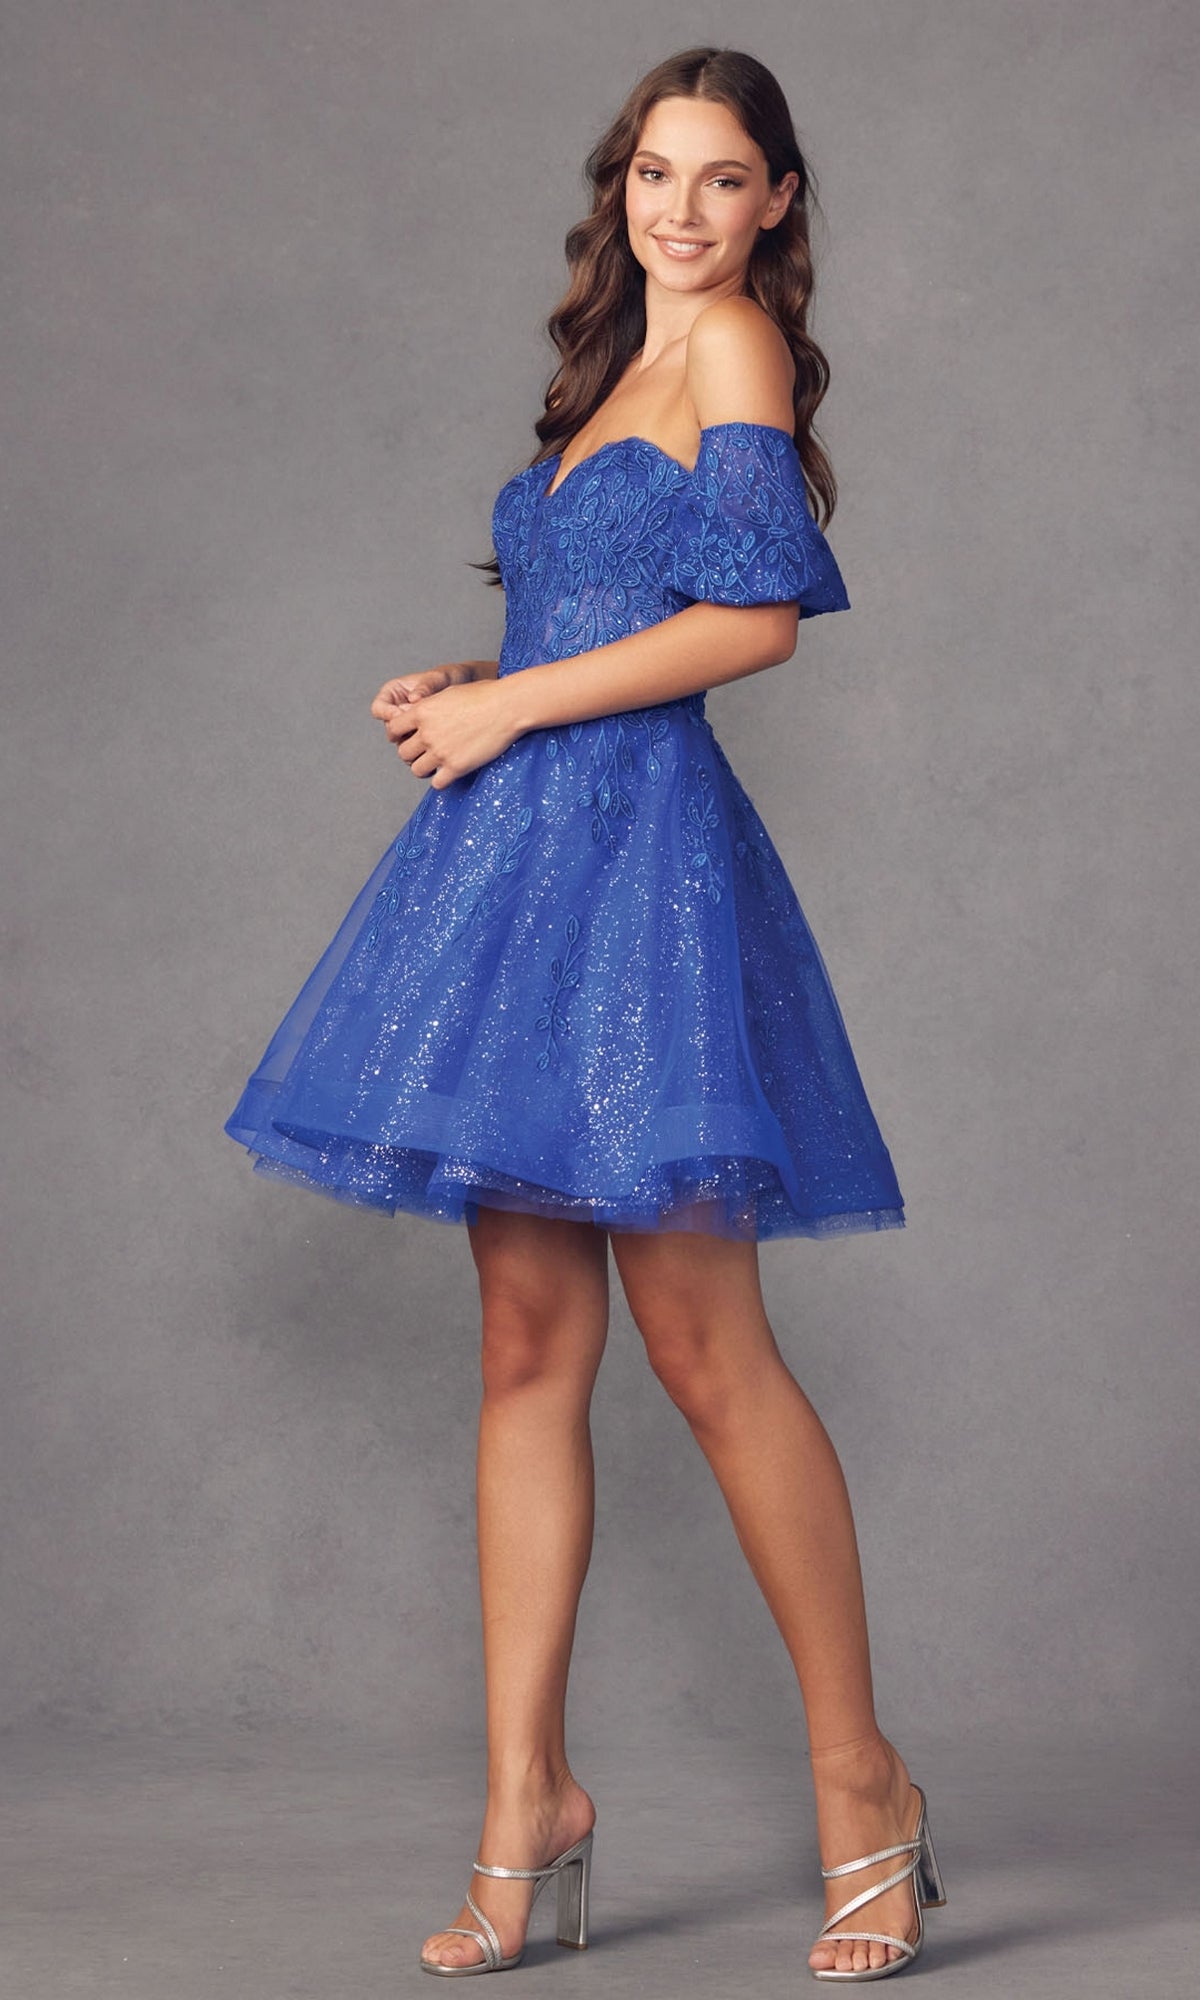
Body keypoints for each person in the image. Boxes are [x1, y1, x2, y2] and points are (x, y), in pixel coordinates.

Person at [225, 45, 946, 1984]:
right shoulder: (605, 377)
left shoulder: (734, 358)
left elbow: (754, 621)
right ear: (615, 185)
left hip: (640, 882)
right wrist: (484, 670)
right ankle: (524, 1801)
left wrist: (510, 709)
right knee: (525, 1342)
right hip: (513, 871)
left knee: (706, 1355)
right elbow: (599, 627)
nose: (682, 209)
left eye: (723, 180)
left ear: (778, 202)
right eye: (654, 172)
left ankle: (858, 1778)